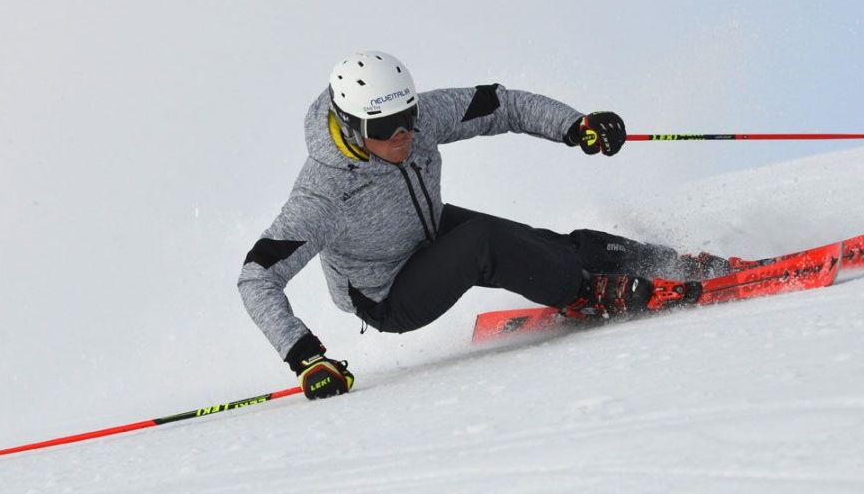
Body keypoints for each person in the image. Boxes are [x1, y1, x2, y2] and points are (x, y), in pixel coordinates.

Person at [238, 51, 729, 400]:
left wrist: (575, 126)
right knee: (486, 244)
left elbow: (501, 104)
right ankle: (587, 294)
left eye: (407, 117)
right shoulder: (323, 192)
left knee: (546, 245)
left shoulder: (418, 121)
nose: (403, 134)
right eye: (384, 128)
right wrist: (305, 356)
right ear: (351, 126)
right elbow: (257, 277)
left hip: (426, 233)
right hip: (387, 294)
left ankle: (664, 262)